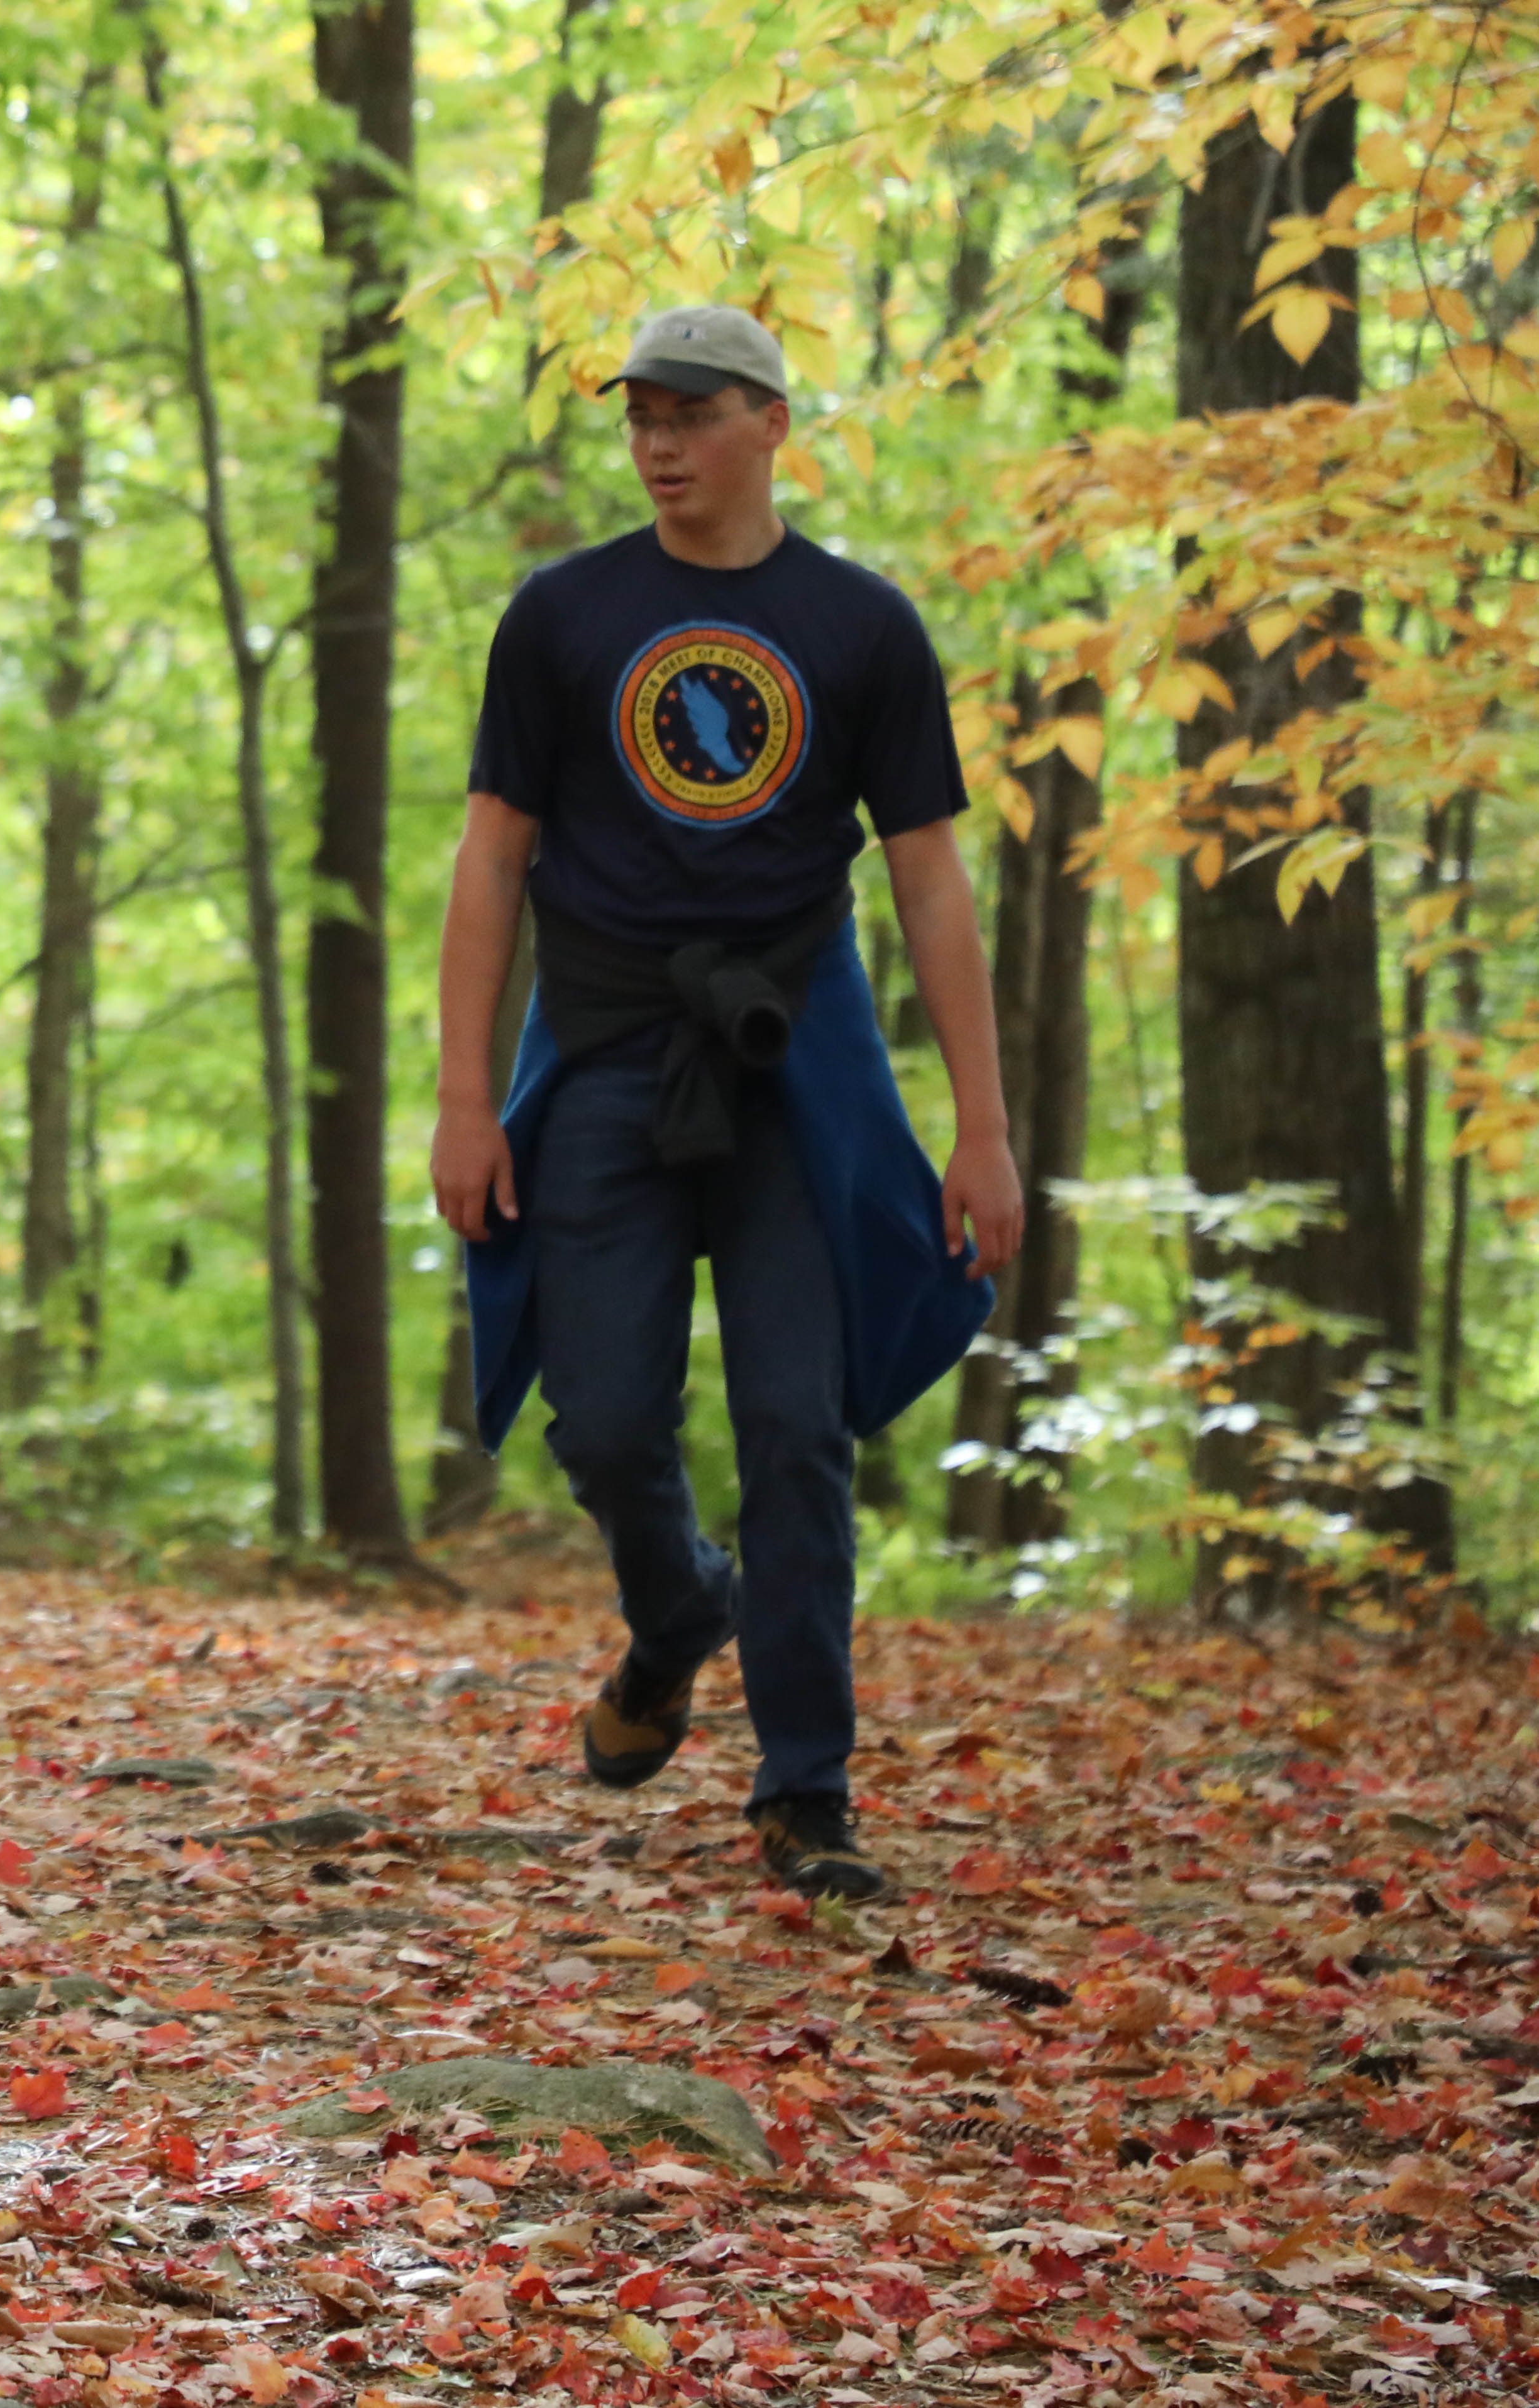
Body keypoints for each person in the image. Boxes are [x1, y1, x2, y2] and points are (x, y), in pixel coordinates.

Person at [428, 304, 1022, 1901]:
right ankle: (681, 1608)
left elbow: (930, 879)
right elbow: (493, 857)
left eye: (693, 412)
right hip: (610, 1044)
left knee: (795, 1429)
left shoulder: (861, 627)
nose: (660, 442)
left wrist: (982, 1125)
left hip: (791, 1066)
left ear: (770, 421)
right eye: (641, 416)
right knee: (609, 1415)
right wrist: (465, 1096)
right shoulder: (565, 615)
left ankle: (805, 1788)